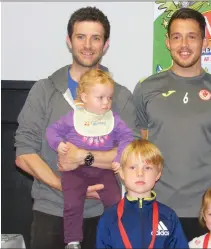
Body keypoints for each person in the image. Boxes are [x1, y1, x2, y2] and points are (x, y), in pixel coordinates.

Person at [14, 6, 138, 249]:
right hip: (52, 212)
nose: (88, 45)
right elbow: (24, 153)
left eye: (96, 38)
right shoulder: (45, 91)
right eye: (80, 37)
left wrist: (85, 157)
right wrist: (67, 187)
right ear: (69, 41)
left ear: (106, 44)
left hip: (105, 215)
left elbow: (131, 152)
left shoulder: (120, 96)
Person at [133, 8, 211, 241]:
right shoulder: (145, 89)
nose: (184, 44)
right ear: (168, 42)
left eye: (192, 36)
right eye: (177, 36)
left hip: (204, 214)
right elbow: (140, 150)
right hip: (155, 208)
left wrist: (207, 202)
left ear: (204, 41)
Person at [45, 68, 135, 248]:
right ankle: (72, 240)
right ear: (84, 97)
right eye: (100, 98)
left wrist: (119, 156)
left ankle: (116, 237)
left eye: (109, 98)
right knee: (72, 203)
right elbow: (52, 131)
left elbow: (127, 137)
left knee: (115, 202)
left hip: (103, 171)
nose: (106, 103)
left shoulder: (113, 119)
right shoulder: (73, 118)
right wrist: (57, 144)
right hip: (75, 172)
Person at [95, 139, 189, 249]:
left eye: (147, 168)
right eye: (132, 167)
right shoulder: (109, 218)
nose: (140, 173)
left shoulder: (168, 216)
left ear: (158, 174)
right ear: (121, 173)